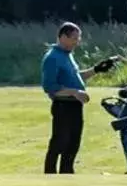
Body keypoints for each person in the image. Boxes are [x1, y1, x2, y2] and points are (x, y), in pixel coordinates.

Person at [39, 22, 115, 174]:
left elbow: (75, 76)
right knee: (59, 143)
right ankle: (50, 175)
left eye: (78, 38)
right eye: (74, 38)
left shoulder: (67, 55)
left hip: (75, 106)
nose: (77, 42)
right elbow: (50, 87)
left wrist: (96, 69)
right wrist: (75, 92)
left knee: (73, 144)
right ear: (63, 37)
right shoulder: (52, 57)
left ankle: (67, 174)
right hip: (63, 105)